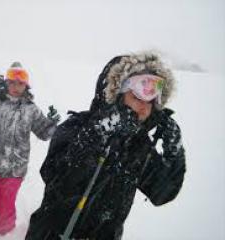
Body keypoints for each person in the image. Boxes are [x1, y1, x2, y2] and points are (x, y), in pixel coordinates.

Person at [25, 52, 186, 240]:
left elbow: (162, 194)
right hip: (50, 233)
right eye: (136, 98)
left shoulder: (139, 147)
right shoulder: (76, 127)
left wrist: (174, 151)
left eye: (151, 102)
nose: (144, 108)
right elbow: (53, 176)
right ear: (115, 95)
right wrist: (98, 134)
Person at [0, 62, 60, 239]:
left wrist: (52, 123)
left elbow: (44, 132)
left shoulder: (31, 109)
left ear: (26, 85)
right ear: (6, 83)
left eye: (20, 83)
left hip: (15, 167)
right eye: (12, 82)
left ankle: (5, 235)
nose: (16, 87)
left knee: (6, 206)